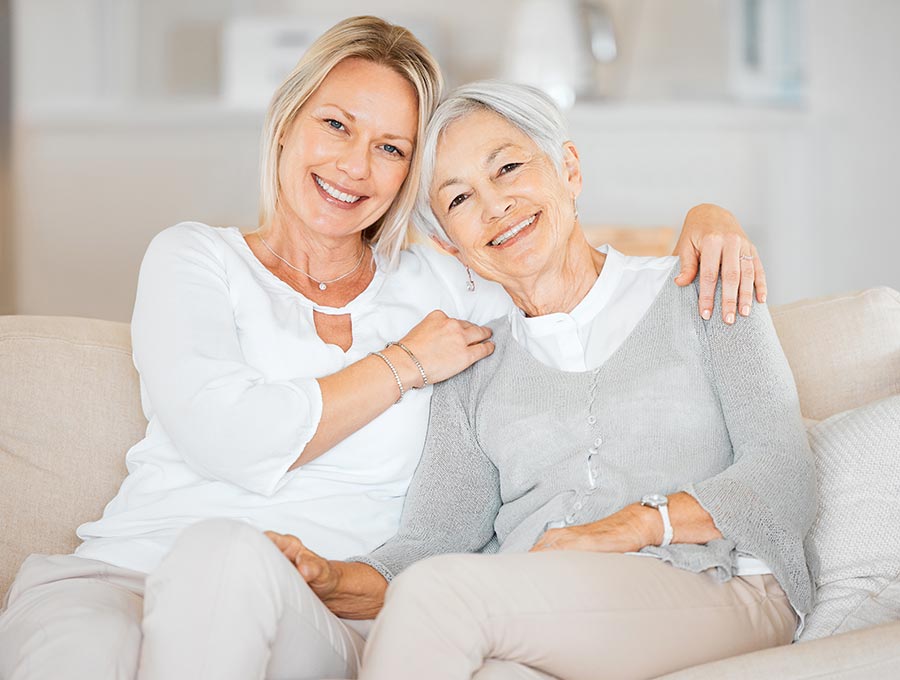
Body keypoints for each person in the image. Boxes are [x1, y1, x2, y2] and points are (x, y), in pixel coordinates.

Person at [0, 17, 766, 680]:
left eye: (391, 148)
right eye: (336, 125)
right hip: (121, 570)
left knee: (223, 555)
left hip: (321, 606)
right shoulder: (194, 258)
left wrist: (708, 217)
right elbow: (230, 438)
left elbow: (567, 269)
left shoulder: (443, 278)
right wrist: (401, 366)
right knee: (79, 655)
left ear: (412, 181)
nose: (355, 167)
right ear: (289, 119)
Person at [267, 82, 815, 680]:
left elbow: (784, 473)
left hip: (718, 586)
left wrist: (624, 529)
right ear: (452, 247)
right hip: (546, 614)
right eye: (459, 199)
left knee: (441, 595)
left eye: (508, 167)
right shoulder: (473, 365)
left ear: (568, 169)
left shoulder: (703, 287)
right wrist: (332, 577)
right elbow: (434, 539)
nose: (495, 205)